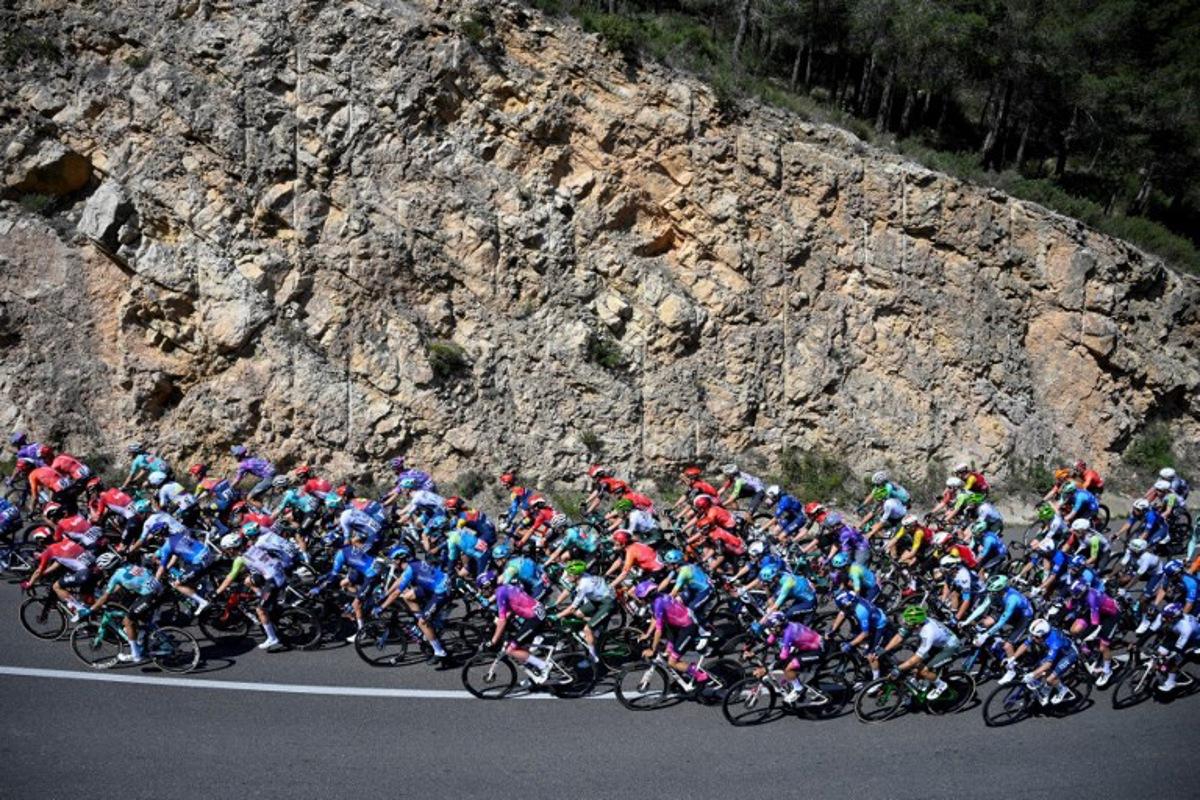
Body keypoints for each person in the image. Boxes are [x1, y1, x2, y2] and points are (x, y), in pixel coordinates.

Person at [213, 533, 288, 650]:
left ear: (231, 549)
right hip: (279, 572)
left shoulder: (240, 559)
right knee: (248, 580)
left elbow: (230, 578)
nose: (226, 552)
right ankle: (264, 598)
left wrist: (217, 592)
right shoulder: (253, 547)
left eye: (226, 550)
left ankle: (272, 638)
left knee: (260, 609)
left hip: (273, 581)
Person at [80, 561, 165, 664]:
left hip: (149, 596)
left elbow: (105, 597)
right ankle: (152, 641)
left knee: (127, 621)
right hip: (159, 590)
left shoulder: (116, 576)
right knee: (142, 619)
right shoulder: (132, 565)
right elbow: (120, 586)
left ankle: (136, 655)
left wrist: (91, 609)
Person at [479, 570, 553, 682]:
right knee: (521, 649)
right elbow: (512, 607)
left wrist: (493, 641)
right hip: (536, 612)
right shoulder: (504, 587)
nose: (481, 592)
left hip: (535, 618)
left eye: (482, 588)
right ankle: (535, 675)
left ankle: (544, 666)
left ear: (489, 587)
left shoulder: (500, 594)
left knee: (511, 649)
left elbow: (502, 620)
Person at [311, 532, 384, 642]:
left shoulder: (339, 555)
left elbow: (333, 576)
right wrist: (325, 576)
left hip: (371, 574)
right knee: (346, 584)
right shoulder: (348, 548)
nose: (326, 550)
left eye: (327, 547)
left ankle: (362, 632)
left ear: (332, 546)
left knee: (356, 604)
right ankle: (364, 604)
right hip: (371, 568)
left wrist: (319, 588)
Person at [633, 580, 708, 684]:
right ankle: (683, 678)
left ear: (646, 597)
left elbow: (659, 630)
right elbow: (655, 617)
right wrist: (648, 634)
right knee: (667, 654)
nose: (639, 600)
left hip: (687, 629)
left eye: (640, 598)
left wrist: (653, 650)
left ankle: (700, 675)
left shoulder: (658, 603)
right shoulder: (658, 598)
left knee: (672, 662)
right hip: (676, 628)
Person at [881, 605, 960, 700]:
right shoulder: (917, 622)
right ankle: (923, 686)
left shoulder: (928, 632)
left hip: (950, 647)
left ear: (917, 625)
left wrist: (898, 669)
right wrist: (884, 650)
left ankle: (941, 685)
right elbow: (899, 637)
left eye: (908, 623)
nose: (905, 624)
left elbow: (916, 658)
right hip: (938, 644)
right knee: (916, 666)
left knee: (923, 670)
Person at [551, 560, 614, 659]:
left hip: (607, 603)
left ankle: (594, 657)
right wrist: (555, 603)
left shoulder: (583, 585)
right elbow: (568, 590)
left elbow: (572, 608)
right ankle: (596, 627)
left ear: (576, 576)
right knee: (578, 613)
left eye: (569, 574)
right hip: (598, 600)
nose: (567, 576)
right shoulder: (582, 576)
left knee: (587, 629)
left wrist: (556, 616)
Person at [1064, 579, 1121, 687]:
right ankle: (1090, 649)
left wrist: (1082, 638)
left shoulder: (1092, 598)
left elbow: (1095, 624)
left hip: (1111, 616)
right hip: (1098, 612)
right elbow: (1069, 606)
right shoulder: (1081, 594)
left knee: (1103, 647)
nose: (1073, 596)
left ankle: (1108, 670)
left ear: (1081, 593)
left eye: (1075, 595)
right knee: (1074, 630)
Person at [758, 612, 824, 703]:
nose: (769, 630)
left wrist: (766, 669)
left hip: (818, 650)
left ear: (778, 627)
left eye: (771, 628)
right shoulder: (782, 628)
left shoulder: (788, 634)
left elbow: (783, 657)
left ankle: (798, 689)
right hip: (808, 648)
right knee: (787, 663)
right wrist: (753, 652)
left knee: (789, 668)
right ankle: (800, 683)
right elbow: (769, 641)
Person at [1010, 618, 1079, 705]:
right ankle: (1046, 691)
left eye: (1036, 637)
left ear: (1043, 635)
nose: (1033, 638)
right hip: (1059, 652)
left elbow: (1048, 664)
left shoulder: (1055, 642)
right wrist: (1012, 658)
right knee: (1040, 667)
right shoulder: (1040, 634)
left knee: (1050, 678)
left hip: (1069, 655)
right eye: (1032, 635)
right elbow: (1025, 645)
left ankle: (1063, 690)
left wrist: (1032, 674)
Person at [153, 529, 215, 616]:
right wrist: (167, 567)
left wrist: (156, 580)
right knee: (188, 575)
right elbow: (175, 557)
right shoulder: (179, 534)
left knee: (177, 584)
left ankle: (202, 602)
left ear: (159, 536)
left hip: (199, 562)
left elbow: (161, 568)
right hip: (208, 553)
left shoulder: (166, 546)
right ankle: (205, 589)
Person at [1154, 603, 1199, 692]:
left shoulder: (1186, 627)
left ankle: (1171, 682)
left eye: (1166, 617)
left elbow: (1178, 648)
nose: (1164, 618)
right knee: (1161, 652)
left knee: (1173, 660)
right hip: (1182, 635)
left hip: (1194, 642)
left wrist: (1170, 656)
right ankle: (1165, 670)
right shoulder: (1174, 619)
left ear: (1175, 617)